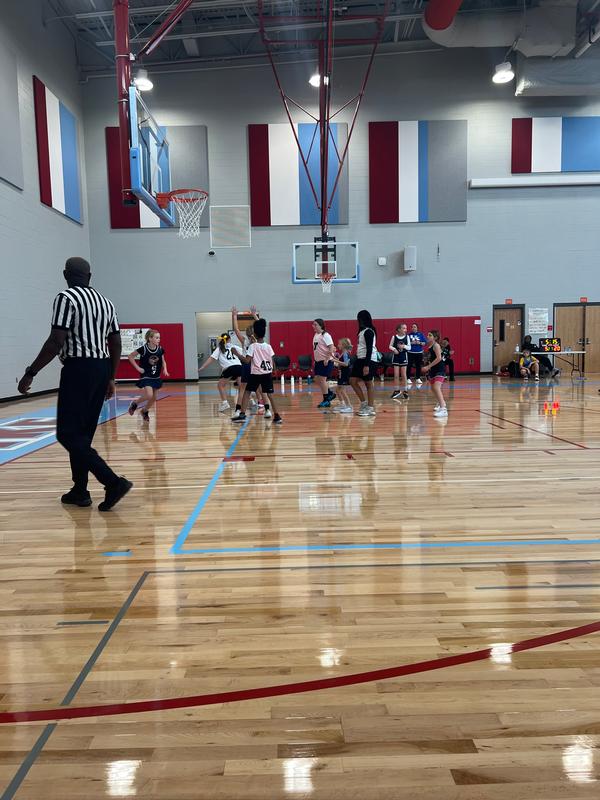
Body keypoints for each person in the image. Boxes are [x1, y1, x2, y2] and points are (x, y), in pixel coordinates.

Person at [17, 257, 132, 511]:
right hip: (101, 368)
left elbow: (55, 341)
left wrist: (31, 372)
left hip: (78, 369)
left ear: (65, 275)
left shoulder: (66, 298)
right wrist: (111, 377)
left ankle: (113, 482)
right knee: (82, 435)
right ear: (89, 277)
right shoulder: (106, 303)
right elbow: (115, 343)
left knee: (68, 434)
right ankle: (80, 490)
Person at [232, 318, 282, 424]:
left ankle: (242, 414)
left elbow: (247, 361)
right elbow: (272, 360)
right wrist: (274, 370)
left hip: (256, 373)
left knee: (247, 392)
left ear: (254, 333)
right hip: (267, 374)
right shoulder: (268, 346)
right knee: (270, 395)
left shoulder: (253, 346)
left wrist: (237, 354)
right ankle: (277, 416)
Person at [127, 329, 170, 421]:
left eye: (159, 338)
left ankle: (144, 411)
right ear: (150, 338)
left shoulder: (160, 349)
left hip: (156, 376)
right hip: (146, 375)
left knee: (154, 398)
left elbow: (163, 361)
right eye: (156, 338)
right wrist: (138, 368)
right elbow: (130, 356)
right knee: (149, 395)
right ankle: (135, 403)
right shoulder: (143, 349)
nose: (159, 339)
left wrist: (165, 369)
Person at [198, 333, 243, 412]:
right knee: (242, 387)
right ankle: (250, 400)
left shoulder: (219, 348)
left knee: (220, 385)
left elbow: (211, 359)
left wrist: (203, 367)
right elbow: (244, 353)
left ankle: (225, 403)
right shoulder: (234, 346)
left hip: (229, 368)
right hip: (239, 366)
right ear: (229, 339)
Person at [232, 306, 263, 417]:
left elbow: (236, 330)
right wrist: (254, 315)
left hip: (246, 365)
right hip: (256, 365)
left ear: (246, 333)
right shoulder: (259, 341)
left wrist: (234, 316)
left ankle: (238, 410)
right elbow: (261, 326)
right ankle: (262, 405)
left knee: (243, 389)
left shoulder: (244, 340)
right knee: (258, 386)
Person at [350, 309, 378, 416]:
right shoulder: (361, 332)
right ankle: (364, 403)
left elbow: (369, 349)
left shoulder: (369, 331)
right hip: (360, 358)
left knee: (368, 383)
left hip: (369, 360)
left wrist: (366, 365)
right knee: (352, 380)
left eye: (360, 319)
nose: (358, 321)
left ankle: (370, 408)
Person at [421, 330, 448, 418]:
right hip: (433, 369)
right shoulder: (430, 346)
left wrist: (428, 366)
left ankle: (443, 409)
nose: (427, 336)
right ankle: (441, 403)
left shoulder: (436, 345)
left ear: (435, 338)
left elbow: (439, 358)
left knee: (436, 387)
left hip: (440, 369)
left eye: (430, 335)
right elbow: (432, 358)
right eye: (428, 335)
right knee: (433, 388)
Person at [312, 319, 336, 408]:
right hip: (318, 361)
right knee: (317, 379)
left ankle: (326, 400)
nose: (313, 326)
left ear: (321, 325)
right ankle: (330, 393)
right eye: (313, 324)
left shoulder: (326, 335)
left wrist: (327, 358)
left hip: (326, 361)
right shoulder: (316, 335)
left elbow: (331, 347)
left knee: (322, 380)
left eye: (315, 324)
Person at [389, 323, 411, 400]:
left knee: (404, 375)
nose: (406, 330)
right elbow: (390, 346)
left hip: (403, 356)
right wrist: (394, 349)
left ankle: (405, 391)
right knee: (396, 375)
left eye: (406, 328)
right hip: (396, 357)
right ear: (399, 329)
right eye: (404, 328)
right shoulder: (394, 337)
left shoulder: (407, 337)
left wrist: (403, 346)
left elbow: (409, 347)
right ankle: (397, 390)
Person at [331, 338, 353, 413]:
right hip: (341, 374)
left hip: (345, 374)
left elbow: (346, 364)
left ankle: (349, 406)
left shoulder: (345, 353)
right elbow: (341, 361)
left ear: (343, 345)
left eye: (339, 344)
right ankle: (342, 404)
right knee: (338, 390)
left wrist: (335, 360)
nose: (338, 345)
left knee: (343, 390)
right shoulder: (343, 353)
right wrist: (333, 357)